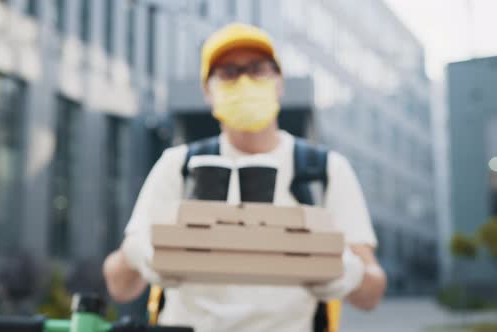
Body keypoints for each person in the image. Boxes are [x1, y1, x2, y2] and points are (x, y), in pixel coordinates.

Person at [103, 23, 387, 332]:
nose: (244, 82)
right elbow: (120, 285)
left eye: (257, 69)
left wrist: (347, 271)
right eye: (228, 72)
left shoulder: (325, 172)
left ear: (279, 82)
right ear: (207, 91)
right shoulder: (179, 166)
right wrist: (138, 253)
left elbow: (371, 294)